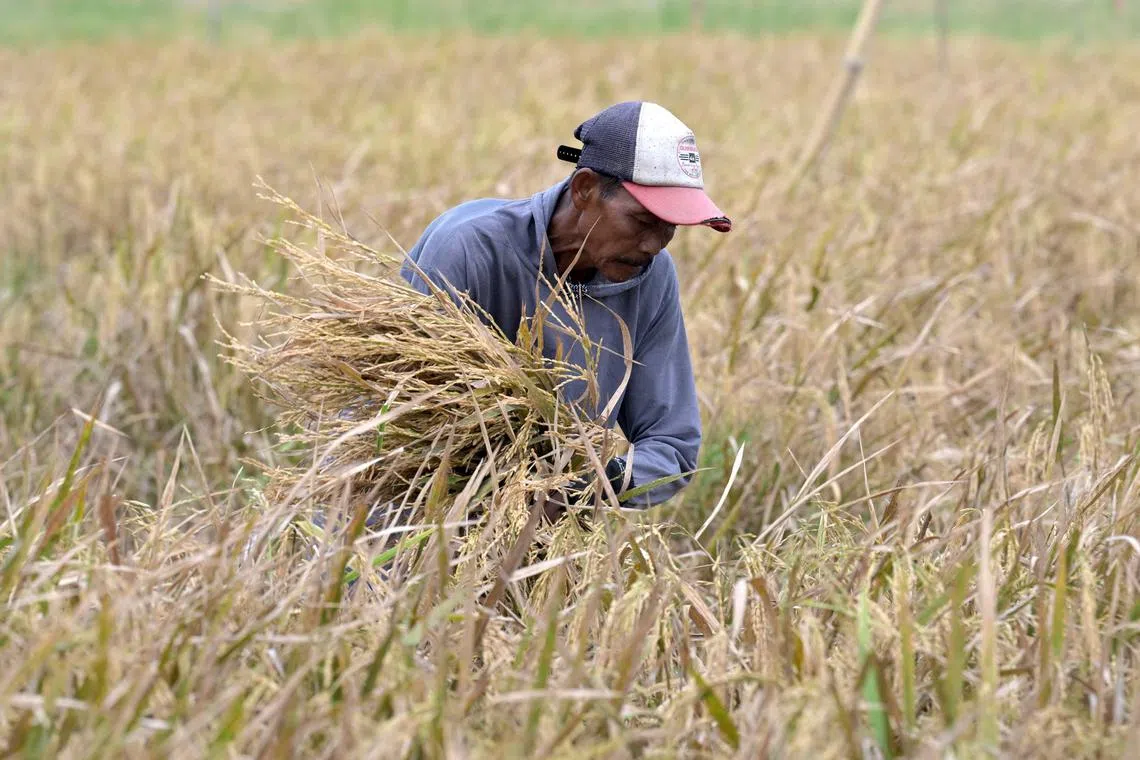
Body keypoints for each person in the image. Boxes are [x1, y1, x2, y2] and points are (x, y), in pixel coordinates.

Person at [400, 101, 732, 516]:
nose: (653, 244)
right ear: (584, 189)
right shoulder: (469, 250)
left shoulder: (652, 276)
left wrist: (591, 483)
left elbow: (672, 444)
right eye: (643, 221)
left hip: (542, 538)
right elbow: (402, 424)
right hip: (405, 524)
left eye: (670, 227)